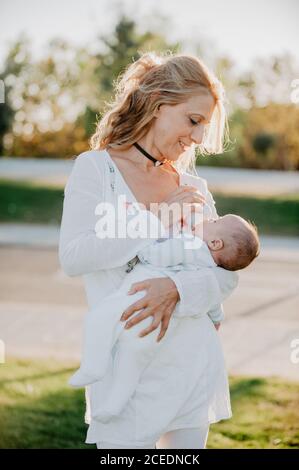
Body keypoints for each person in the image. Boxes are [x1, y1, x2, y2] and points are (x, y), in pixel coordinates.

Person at [59, 51, 239, 449]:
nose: (196, 138)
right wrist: (154, 220)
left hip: (192, 363)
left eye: (203, 127)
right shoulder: (95, 169)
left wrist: (175, 288)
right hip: (127, 368)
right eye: (193, 121)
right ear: (158, 105)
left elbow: (222, 274)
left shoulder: (195, 190)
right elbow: (74, 257)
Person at [68, 211, 260, 423]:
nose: (208, 219)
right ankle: (115, 403)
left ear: (215, 243)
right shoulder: (210, 266)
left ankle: (92, 366)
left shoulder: (190, 244)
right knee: (132, 359)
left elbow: (159, 255)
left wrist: (143, 252)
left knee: (98, 319)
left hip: (135, 298)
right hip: (159, 323)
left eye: (214, 221)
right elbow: (215, 306)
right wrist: (216, 320)